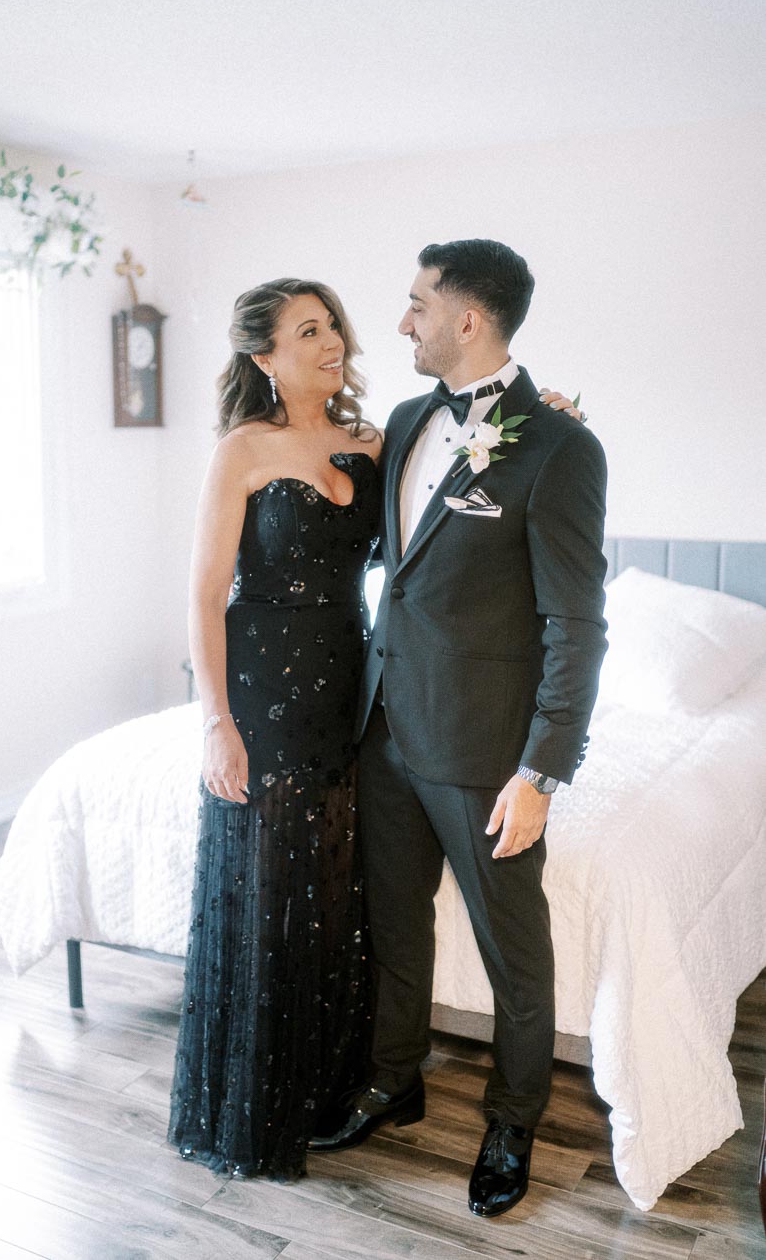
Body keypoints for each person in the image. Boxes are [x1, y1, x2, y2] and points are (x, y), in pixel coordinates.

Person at [169, 271, 585, 1182]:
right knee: (323, 907)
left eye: (337, 327)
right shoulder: (284, 443)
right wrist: (214, 722)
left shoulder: (385, 436)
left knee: (404, 917)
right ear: (263, 355)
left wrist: (543, 420)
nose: (348, 340)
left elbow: (555, 608)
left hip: (382, 704)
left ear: (465, 318)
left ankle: (470, 1111)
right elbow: (205, 593)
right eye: (310, 330)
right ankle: (332, 1085)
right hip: (295, 701)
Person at [308, 239, 608, 1222]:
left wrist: (542, 770)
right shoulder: (402, 419)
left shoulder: (560, 449)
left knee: (516, 954)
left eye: (415, 304)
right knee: (394, 928)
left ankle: (513, 1123)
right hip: (383, 725)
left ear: (467, 319)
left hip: (485, 751)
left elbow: (575, 624)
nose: (401, 322)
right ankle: (394, 1084)